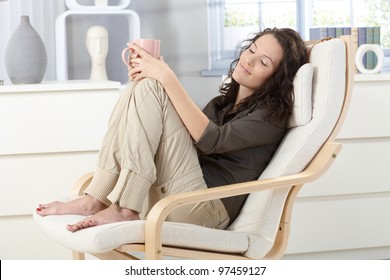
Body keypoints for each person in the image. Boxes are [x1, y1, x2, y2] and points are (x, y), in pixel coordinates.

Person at [36, 27, 307, 232]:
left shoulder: (271, 117)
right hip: (184, 192)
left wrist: (165, 77)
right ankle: (96, 197)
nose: (249, 60)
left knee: (153, 85)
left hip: (206, 208)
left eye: (264, 62)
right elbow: (186, 138)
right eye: (252, 50)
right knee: (143, 85)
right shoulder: (221, 104)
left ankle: (126, 207)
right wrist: (150, 83)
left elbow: (212, 141)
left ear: (276, 78)